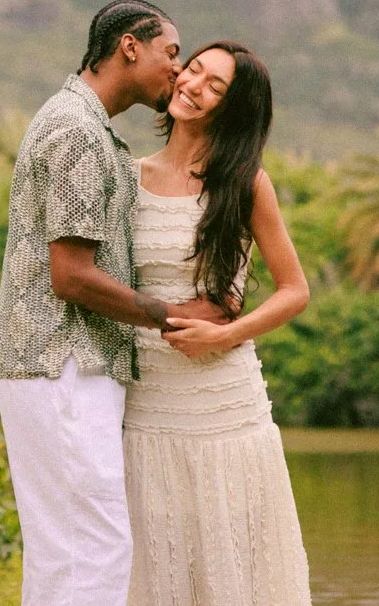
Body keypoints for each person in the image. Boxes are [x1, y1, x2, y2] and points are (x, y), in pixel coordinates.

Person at [0, 0, 229, 605]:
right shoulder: (76, 132)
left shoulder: (83, 125)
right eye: (171, 54)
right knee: (94, 546)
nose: (178, 72)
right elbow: (71, 276)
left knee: (67, 550)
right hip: (63, 361)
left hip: (57, 365)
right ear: (129, 47)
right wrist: (167, 313)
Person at [123, 40, 312, 606]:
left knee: (235, 566)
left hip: (224, 404)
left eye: (216, 87)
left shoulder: (246, 182)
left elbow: (295, 290)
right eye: (194, 70)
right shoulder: (127, 176)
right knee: (155, 560)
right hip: (148, 400)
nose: (194, 87)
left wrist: (227, 333)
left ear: (233, 108)